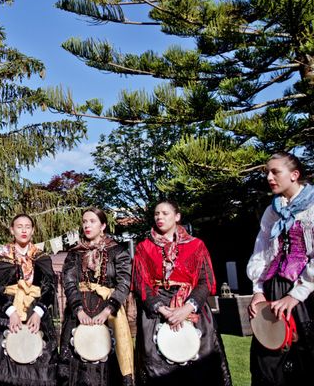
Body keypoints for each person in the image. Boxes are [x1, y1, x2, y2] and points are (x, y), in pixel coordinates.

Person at [132, 200, 231, 386]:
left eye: (165, 213)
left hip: (193, 309)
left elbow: (205, 281)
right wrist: (162, 309)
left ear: (177, 216)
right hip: (156, 314)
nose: (159, 217)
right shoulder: (143, 248)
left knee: (201, 370)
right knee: (157, 370)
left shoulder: (196, 246)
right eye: (156, 214)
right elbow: (140, 283)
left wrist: (187, 308)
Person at [247, 152, 314, 385]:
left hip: (307, 295)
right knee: (268, 365)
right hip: (273, 291)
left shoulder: (312, 207)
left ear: (294, 175)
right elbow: (262, 252)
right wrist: (257, 290)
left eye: (275, 171)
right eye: (267, 171)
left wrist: (295, 296)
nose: (269, 177)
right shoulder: (272, 211)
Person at [58, 207, 134, 386]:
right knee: (76, 360)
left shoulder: (118, 251)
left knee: (108, 364)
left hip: (108, 311)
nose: (87, 225)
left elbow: (124, 283)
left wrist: (108, 310)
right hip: (79, 312)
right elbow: (69, 283)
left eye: (92, 221)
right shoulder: (75, 253)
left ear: (103, 225)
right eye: (84, 221)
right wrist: (78, 310)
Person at [0, 213, 58, 385]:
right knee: (5, 364)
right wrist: (11, 312)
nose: (24, 230)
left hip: (36, 312)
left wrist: (38, 312)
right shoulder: (1, 256)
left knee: (39, 364)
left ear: (33, 230)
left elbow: (49, 288)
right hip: (6, 313)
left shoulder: (42, 257)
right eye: (19, 226)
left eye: (27, 226)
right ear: (12, 230)